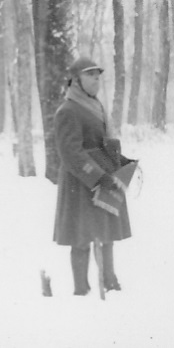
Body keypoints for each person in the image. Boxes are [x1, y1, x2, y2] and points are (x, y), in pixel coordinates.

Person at [53, 57, 132, 296]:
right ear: (76, 80)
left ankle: (109, 281)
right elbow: (71, 153)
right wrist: (98, 176)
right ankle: (81, 289)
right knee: (81, 236)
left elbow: (102, 141)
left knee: (106, 232)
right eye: (90, 76)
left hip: (103, 177)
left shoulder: (96, 105)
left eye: (98, 76)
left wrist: (121, 163)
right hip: (80, 182)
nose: (96, 80)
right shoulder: (67, 110)